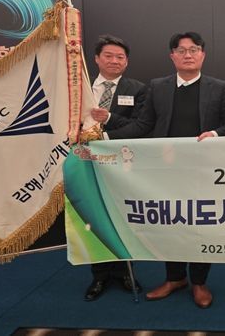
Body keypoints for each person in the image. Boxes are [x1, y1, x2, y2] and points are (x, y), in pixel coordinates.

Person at [108, 31, 225, 308]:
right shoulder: (157, 87)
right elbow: (143, 125)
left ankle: (199, 282)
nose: (187, 55)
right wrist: (105, 139)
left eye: (193, 50)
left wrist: (215, 134)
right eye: (181, 50)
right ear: (172, 56)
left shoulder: (220, 87)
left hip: (205, 169)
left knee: (202, 224)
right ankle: (175, 278)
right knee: (171, 223)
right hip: (166, 169)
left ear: (203, 54)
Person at [84, 34, 145, 301]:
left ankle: (124, 272)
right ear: (97, 59)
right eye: (108, 55)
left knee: (122, 215)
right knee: (93, 217)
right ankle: (99, 275)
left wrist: (108, 120)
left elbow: (141, 125)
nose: (114, 61)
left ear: (126, 62)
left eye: (120, 57)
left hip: (122, 162)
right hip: (85, 160)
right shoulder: (79, 87)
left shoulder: (138, 89)